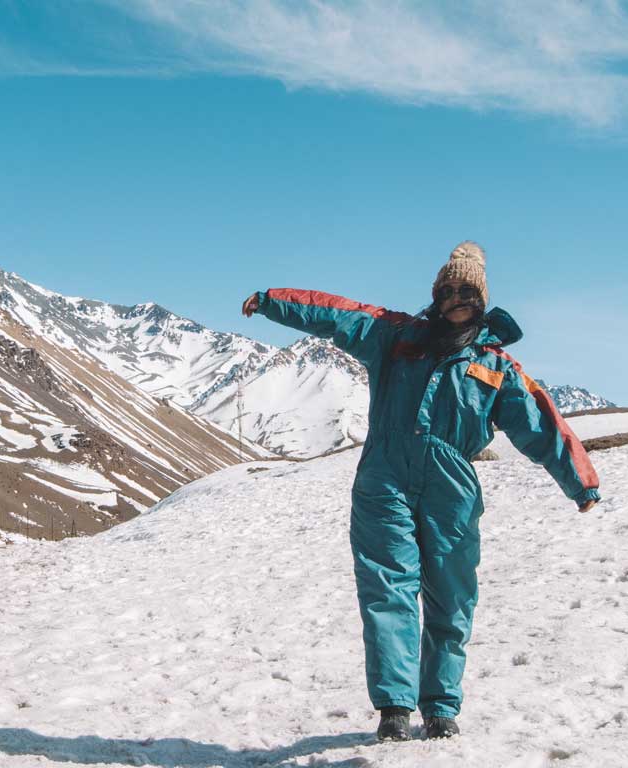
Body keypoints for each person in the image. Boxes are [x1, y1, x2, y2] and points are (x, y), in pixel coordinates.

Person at [242, 241, 600, 742]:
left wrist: (580, 482)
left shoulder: (496, 367)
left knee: (452, 599)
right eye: (447, 288)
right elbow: (335, 314)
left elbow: (542, 425)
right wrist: (272, 300)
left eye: (466, 289)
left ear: (481, 298)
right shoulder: (394, 336)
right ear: (435, 295)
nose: (456, 296)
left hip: (451, 488)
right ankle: (393, 706)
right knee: (388, 587)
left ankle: (441, 706)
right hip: (384, 478)